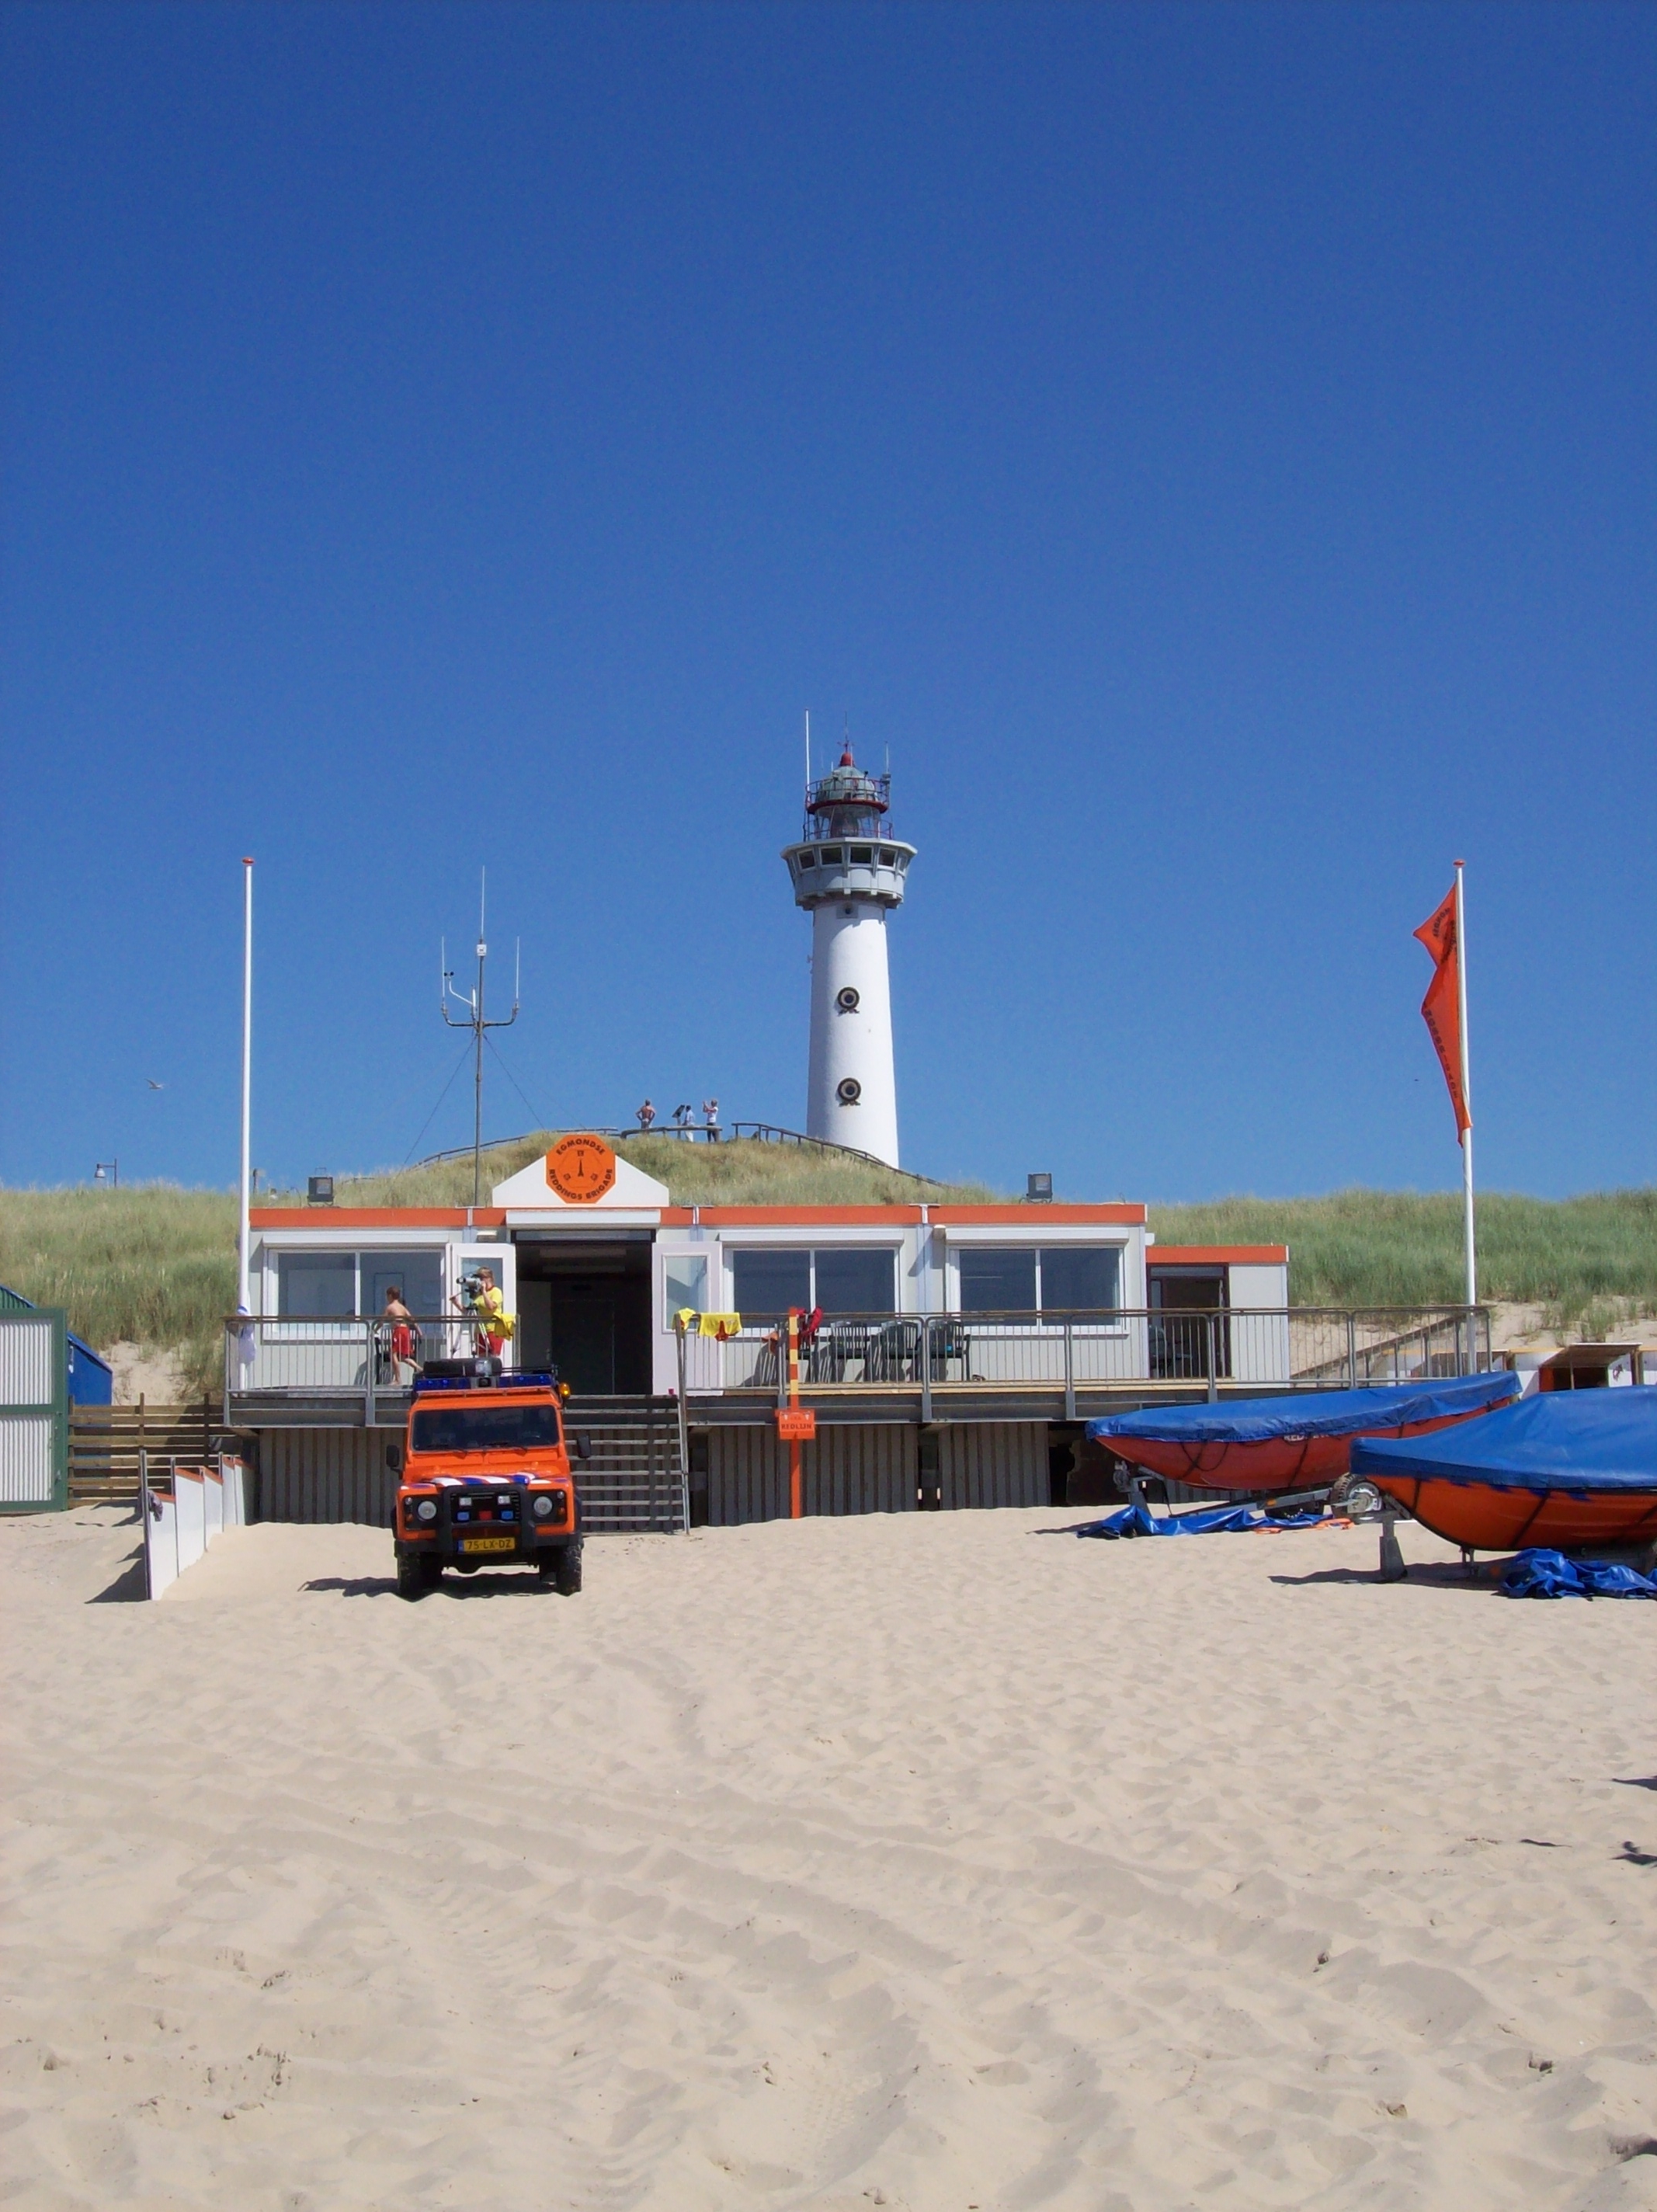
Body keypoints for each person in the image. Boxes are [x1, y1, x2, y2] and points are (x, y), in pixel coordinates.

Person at [453, 1266, 513, 1362]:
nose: (479, 1280)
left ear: (488, 1279)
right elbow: (469, 1312)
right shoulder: (478, 1294)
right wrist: (456, 1303)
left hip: (492, 1330)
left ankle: (493, 1375)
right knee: (481, 1359)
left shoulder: (496, 1291)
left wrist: (484, 1291)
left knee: (492, 1358)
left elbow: (491, 1306)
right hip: (479, 1330)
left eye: (481, 1278)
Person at [381, 1286, 418, 1382]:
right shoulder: (402, 1307)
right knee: (403, 1357)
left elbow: (381, 1320)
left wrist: (374, 1329)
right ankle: (420, 1368)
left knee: (393, 1354)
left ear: (390, 1296)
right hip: (405, 1330)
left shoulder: (390, 1307)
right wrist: (418, 1330)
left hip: (399, 1331)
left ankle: (398, 1379)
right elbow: (411, 1318)